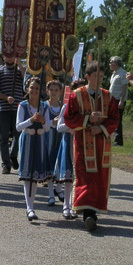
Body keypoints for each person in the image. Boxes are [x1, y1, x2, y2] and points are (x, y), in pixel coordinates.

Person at [63, 62, 120, 231]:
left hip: (102, 143)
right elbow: (68, 118)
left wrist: (101, 128)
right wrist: (88, 120)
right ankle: (88, 214)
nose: (99, 80)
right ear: (88, 77)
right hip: (83, 143)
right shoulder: (76, 96)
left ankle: (93, 211)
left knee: (99, 178)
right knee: (85, 177)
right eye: (95, 76)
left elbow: (114, 119)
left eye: (102, 77)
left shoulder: (108, 96)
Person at [16, 77, 53, 221]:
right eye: (32, 88)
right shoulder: (23, 106)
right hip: (27, 139)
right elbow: (18, 126)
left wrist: (43, 121)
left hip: (40, 140)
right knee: (28, 175)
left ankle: (31, 206)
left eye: (37, 88)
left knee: (36, 175)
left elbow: (48, 127)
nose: (34, 91)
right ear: (27, 89)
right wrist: (30, 120)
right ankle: (29, 208)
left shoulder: (44, 106)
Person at [54, 78, 85, 219]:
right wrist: (71, 126)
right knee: (68, 177)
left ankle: (77, 205)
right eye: (77, 90)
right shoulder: (66, 107)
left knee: (80, 177)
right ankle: (66, 206)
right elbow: (59, 127)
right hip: (68, 142)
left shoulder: (87, 108)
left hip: (83, 143)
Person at [0, 55, 25, 174]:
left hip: (18, 107)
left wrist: (19, 63)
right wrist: (5, 97)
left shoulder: (19, 70)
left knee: (18, 134)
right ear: (3, 57)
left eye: (11, 55)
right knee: (3, 137)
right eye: (7, 56)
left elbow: (27, 78)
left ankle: (13, 155)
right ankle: (6, 163)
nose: (10, 58)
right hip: (3, 108)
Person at [44, 80, 65, 206]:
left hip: (60, 137)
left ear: (60, 92)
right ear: (48, 91)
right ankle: (51, 194)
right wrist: (52, 122)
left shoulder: (63, 106)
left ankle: (58, 187)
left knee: (59, 163)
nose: (53, 92)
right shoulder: (45, 106)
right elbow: (42, 123)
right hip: (48, 137)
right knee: (50, 164)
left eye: (56, 90)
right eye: (51, 90)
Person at [108, 56, 128, 146]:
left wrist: (121, 101)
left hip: (118, 100)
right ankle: (115, 138)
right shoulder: (114, 73)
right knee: (113, 118)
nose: (109, 64)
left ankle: (118, 140)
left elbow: (124, 88)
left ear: (115, 64)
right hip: (112, 100)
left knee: (118, 119)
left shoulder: (123, 73)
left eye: (111, 62)